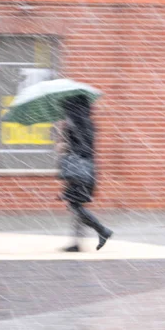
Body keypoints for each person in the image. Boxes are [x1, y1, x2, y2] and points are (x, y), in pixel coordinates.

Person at [57, 95, 112, 252]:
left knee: (75, 205)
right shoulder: (88, 123)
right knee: (76, 204)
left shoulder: (73, 124)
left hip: (78, 170)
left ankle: (102, 230)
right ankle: (77, 242)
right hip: (87, 169)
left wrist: (64, 142)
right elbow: (87, 148)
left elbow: (79, 149)